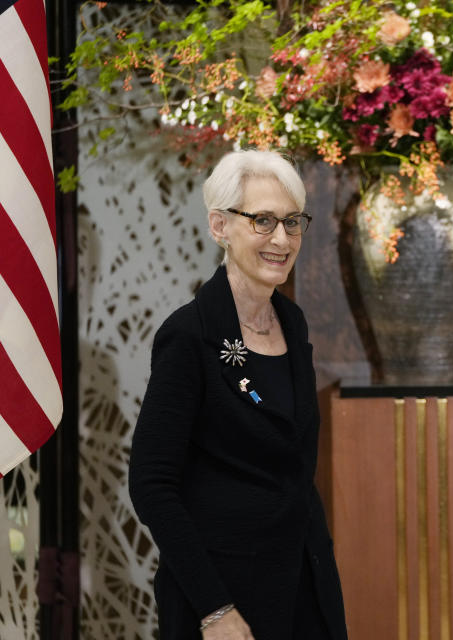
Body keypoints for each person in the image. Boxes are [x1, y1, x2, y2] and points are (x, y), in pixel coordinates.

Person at [129, 150, 348, 640]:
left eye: (292, 222)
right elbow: (151, 485)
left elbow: (292, 465)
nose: (281, 239)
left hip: (304, 584)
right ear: (219, 226)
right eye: (263, 220)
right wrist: (214, 609)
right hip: (224, 600)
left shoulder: (292, 322)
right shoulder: (189, 336)